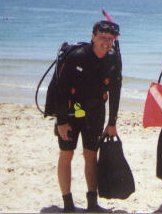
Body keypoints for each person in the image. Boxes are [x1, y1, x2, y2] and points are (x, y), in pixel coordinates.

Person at [53, 18, 122, 212]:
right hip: (71, 111)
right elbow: (61, 89)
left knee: (91, 155)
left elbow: (116, 90)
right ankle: (68, 204)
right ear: (93, 37)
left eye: (110, 38)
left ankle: (92, 203)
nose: (106, 42)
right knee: (66, 154)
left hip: (95, 112)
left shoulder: (113, 58)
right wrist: (61, 121)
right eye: (102, 37)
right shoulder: (77, 56)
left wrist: (112, 122)